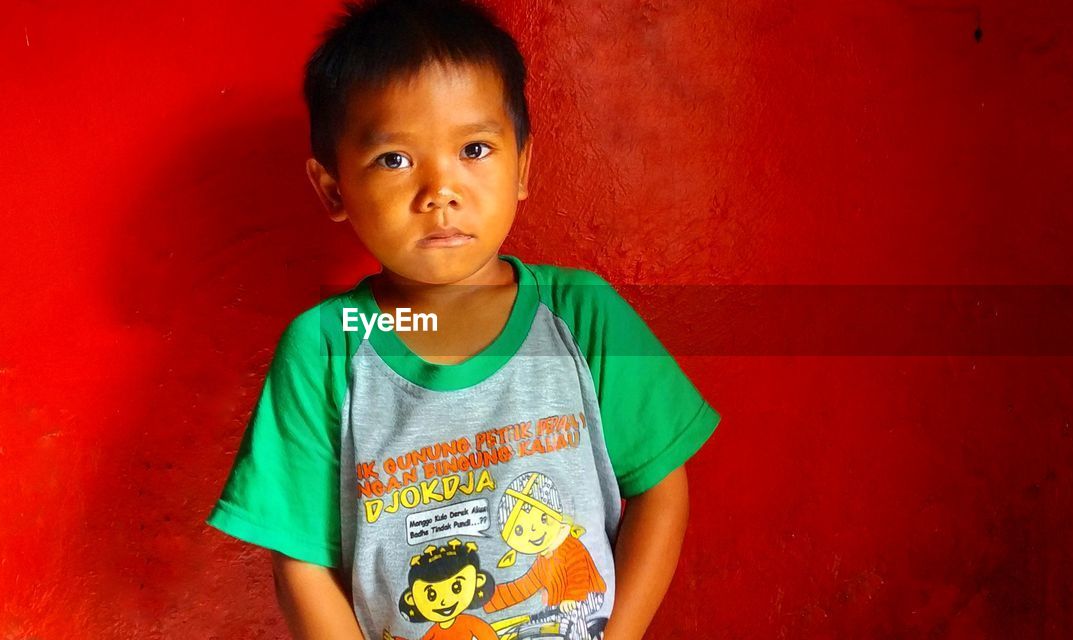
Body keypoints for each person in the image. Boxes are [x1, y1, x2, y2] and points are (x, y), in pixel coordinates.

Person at [205, 1, 720, 638]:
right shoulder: (326, 349)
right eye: (395, 159)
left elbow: (659, 489)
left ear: (523, 166)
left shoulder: (580, 315)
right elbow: (301, 562)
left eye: (474, 149)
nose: (439, 191)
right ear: (333, 187)